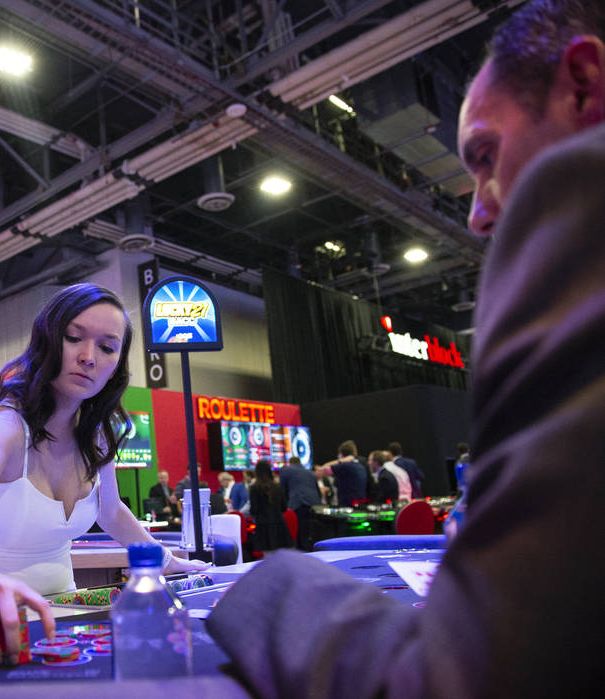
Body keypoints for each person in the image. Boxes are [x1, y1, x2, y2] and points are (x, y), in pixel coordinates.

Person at [207, 2, 605, 695]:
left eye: (485, 155)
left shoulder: (578, 204)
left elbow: (461, 677)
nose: (477, 212)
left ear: (584, 83)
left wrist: (271, 580)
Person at [0, 283, 208, 664]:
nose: (89, 356)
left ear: (116, 366)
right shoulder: (4, 423)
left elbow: (111, 511)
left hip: (60, 616)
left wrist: (163, 558)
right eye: (74, 338)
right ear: (47, 340)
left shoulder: (97, 434)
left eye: (107, 347)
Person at [246, 459, 292, 555]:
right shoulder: (277, 486)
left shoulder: (255, 488)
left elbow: (254, 510)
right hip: (279, 525)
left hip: (263, 527)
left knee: (268, 559)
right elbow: (284, 507)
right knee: (281, 557)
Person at [279, 456, 321, 551]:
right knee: (311, 533)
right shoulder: (310, 472)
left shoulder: (286, 470)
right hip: (315, 505)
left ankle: (302, 556)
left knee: (300, 535)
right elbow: (317, 490)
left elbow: (282, 490)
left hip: (299, 503)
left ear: (290, 463)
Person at [322, 440, 368, 507]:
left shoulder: (345, 466)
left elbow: (324, 468)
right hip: (360, 505)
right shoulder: (360, 466)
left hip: (347, 506)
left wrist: (342, 460)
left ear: (341, 454)